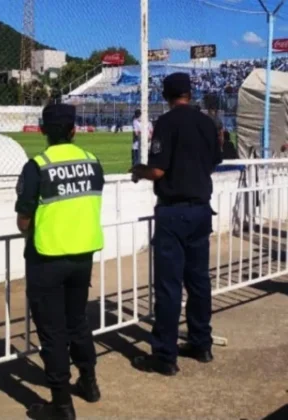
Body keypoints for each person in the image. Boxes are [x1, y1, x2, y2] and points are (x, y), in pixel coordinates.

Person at [15, 103, 104, 420]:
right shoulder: (92, 162)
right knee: (77, 321)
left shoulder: (37, 166)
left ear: (42, 130)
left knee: (52, 333)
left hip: (47, 258)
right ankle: (90, 383)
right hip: (83, 256)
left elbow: (24, 220)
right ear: (73, 130)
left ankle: (62, 405)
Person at [130, 73, 222, 376]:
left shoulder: (167, 123)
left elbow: (157, 170)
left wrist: (138, 170)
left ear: (167, 95)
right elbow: (214, 161)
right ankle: (200, 342)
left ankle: (165, 356)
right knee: (199, 282)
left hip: (174, 212)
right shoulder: (207, 122)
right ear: (190, 93)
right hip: (201, 210)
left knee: (169, 286)